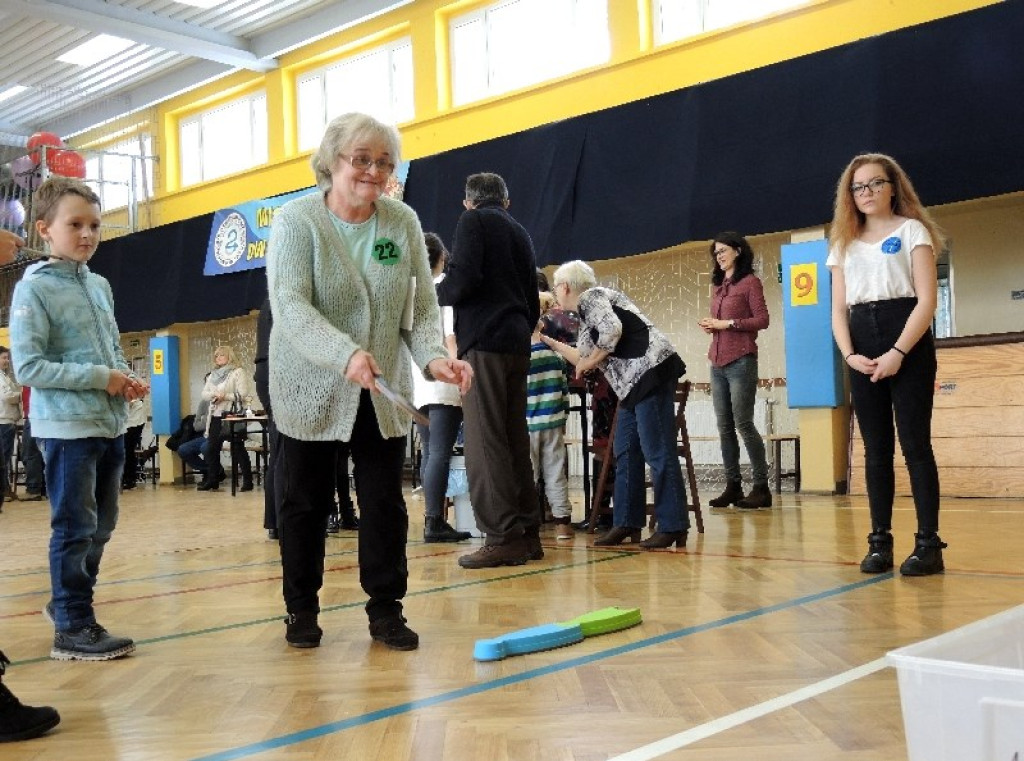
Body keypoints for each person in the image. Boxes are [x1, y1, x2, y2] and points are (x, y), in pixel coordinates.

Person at [267, 112, 472, 650]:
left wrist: (434, 359)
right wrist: (343, 353)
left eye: (384, 162)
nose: (374, 171)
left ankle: (386, 610)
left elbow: (421, 309)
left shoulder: (401, 222)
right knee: (304, 503)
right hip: (308, 386)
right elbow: (290, 304)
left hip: (379, 392)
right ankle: (301, 609)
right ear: (331, 161)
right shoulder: (296, 221)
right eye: (362, 159)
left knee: (383, 502)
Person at [10, 177, 147, 660]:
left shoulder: (100, 285)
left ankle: (66, 603)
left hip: (110, 424)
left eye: (94, 225)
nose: (87, 234)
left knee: (102, 525)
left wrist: (126, 377)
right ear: (45, 229)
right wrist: (100, 377)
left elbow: (110, 348)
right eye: (75, 225)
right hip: (67, 431)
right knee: (74, 527)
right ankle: (72, 623)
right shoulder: (33, 291)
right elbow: (29, 367)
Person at [827, 153, 946, 576]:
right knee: (875, 450)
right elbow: (839, 310)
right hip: (861, 344)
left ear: (893, 186)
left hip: (906, 339)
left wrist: (898, 352)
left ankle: (928, 544)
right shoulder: (843, 244)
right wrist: (848, 354)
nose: (867, 193)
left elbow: (927, 301)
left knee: (915, 444)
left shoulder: (913, 230)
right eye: (859, 187)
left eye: (875, 183)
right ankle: (879, 542)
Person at [542, 260, 690, 549]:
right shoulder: (585, 318)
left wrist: (590, 363)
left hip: (651, 372)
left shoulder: (593, 296)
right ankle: (626, 521)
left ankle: (673, 525)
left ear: (565, 287)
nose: (556, 294)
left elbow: (612, 331)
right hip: (632, 386)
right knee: (626, 451)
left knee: (657, 451)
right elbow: (582, 356)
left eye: (556, 287)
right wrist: (549, 341)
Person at [436, 172, 541, 569]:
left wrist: (437, 290)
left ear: (468, 202)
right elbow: (532, 298)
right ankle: (528, 534)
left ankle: (501, 537)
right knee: (514, 440)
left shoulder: (473, 221)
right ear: (507, 201)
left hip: (484, 343)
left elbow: (463, 281)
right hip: (516, 342)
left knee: (484, 441)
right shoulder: (520, 232)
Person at [699, 232, 772, 510]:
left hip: (741, 359)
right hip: (716, 361)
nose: (719, 256)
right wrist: (711, 325)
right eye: (715, 253)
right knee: (724, 427)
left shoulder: (750, 282)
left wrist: (726, 324)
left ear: (738, 251)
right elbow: (720, 323)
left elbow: (762, 320)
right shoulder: (718, 287)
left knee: (743, 423)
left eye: (723, 251)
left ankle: (761, 487)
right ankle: (733, 485)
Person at [412, 232, 470, 543]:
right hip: (441, 382)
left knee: (430, 454)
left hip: (418, 384)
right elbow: (451, 339)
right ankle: (434, 521)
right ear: (442, 259)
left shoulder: (413, 293)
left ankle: (433, 517)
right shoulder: (443, 290)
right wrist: (458, 374)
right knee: (440, 454)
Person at [527, 292, 573, 540]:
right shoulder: (556, 356)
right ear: (543, 325)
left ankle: (530, 525)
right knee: (556, 473)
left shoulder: (523, 358)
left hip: (527, 425)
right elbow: (564, 392)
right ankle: (563, 525)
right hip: (554, 424)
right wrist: (563, 417)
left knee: (529, 475)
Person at [197, 346, 253, 492]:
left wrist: (225, 396)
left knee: (238, 448)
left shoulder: (237, 372)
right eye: (216, 356)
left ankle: (248, 481)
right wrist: (214, 396)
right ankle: (213, 479)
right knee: (211, 449)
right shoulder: (212, 375)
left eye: (222, 355)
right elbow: (204, 394)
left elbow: (243, 393)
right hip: (215, 416)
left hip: (232, 415)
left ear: (229, 356)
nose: (218, 358)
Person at [0, 346, 21, 503]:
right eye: (4, 358)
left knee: (5, 457)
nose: (6, 361)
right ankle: (4, 489)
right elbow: (7, 396)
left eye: (7, 358)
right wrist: (21, 395)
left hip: (8, 420)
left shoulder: (5, 376)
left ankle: (5, 488)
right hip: (4, 420)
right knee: (4, 457)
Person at [20, 387, 45, 501]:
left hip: (33, 415)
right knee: (40, 453)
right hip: (40, 415)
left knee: (30, 453)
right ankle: (43, 489)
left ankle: (33, 488)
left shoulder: (30, 376)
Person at [121, 398, 146, 489]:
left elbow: (129, 400)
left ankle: (129, 479)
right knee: (126, 450)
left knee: (128, 450)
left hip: (135, 421)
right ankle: (126, 478)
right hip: (129, 420)